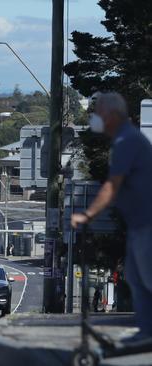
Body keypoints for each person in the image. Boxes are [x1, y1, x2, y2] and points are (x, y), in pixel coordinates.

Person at [71, 92, 152, 342]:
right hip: (138, 224)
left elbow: (111, 186)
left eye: (99, 113)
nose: (96, 119)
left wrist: (88, 214)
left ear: (112, 115)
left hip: (148, 224)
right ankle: (147, 332)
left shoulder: (126, 141)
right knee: (136, 278)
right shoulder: (124, 140)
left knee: (147, 278)